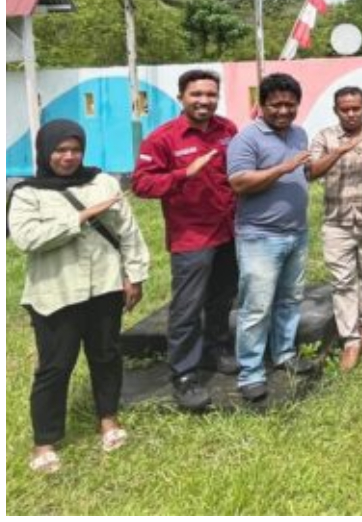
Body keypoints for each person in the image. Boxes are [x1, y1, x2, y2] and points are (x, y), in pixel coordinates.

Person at [8, 120, 150, 473]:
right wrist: (83, 215)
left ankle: (108, 421)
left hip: (104, 285)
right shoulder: (28, 193)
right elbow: (27, 239)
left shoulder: (102, 181)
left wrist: (135, 275)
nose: (68, 157)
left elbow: (127, 230)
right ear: (45, 152)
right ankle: (45, 442)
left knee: (106, 355)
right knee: (55, 367)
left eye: (75, 150)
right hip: (55, 292)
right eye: (60, 150)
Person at [131, 69, 238, 412]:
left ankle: (216, 350)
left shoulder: (227, 130)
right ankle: (185, 373)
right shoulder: (163, 139)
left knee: (223, 298)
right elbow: (142, 184)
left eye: (210, 94)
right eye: (197, 94)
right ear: (182, 97)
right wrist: (183, 174)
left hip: (229, 230)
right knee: (187, 308)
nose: (204, 100)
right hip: (191, 236)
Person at [226, 72, 317, 402]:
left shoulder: (299, 134)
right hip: (259, 237)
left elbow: (306, 173)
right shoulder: (247, 139)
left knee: (290, 300)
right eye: (276, 104)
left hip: (297, 233)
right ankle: (250, 371)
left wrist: (329, 157)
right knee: (257, 306)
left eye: (290, 105)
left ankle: (284, 354)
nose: (283, 111)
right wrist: (284, 167)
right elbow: (239, 182)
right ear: (261, 105)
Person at [308, 86, 362, 371]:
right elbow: (311, 172)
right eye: (345, 109)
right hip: (337, 221)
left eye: (356, 108)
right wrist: (338, 152)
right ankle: (350, 340)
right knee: (342, 281)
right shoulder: (324, 137)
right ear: (336, 110)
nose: (351, 114)